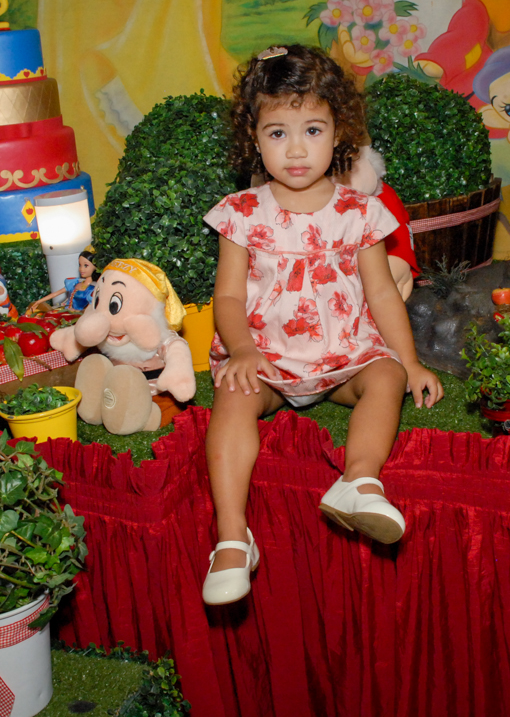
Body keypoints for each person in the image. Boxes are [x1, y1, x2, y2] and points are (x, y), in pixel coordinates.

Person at [200, 44, 443, 606]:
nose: (297, 148)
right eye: (278, 132)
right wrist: (240, 349)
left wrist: (408, 361)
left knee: (383, 376)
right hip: (268, 360)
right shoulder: (241, 213)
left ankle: (358, 481)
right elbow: (229, 295)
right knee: (234, 399)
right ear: (254, 139)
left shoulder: (360, 213)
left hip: (342, 359)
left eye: (312, 129)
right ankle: (233, 536)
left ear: (339, 132)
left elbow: (382, 293)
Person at [30, 248, 99, 312]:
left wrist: (76, 311)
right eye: (80, 265)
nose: (81, 269)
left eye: (86, 266)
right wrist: (38, 302)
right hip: (66, 313)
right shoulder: (74, 283)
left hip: (79, 318)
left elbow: (91, 308)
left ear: (95, 267)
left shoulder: (93, 289)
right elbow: (55, 294)